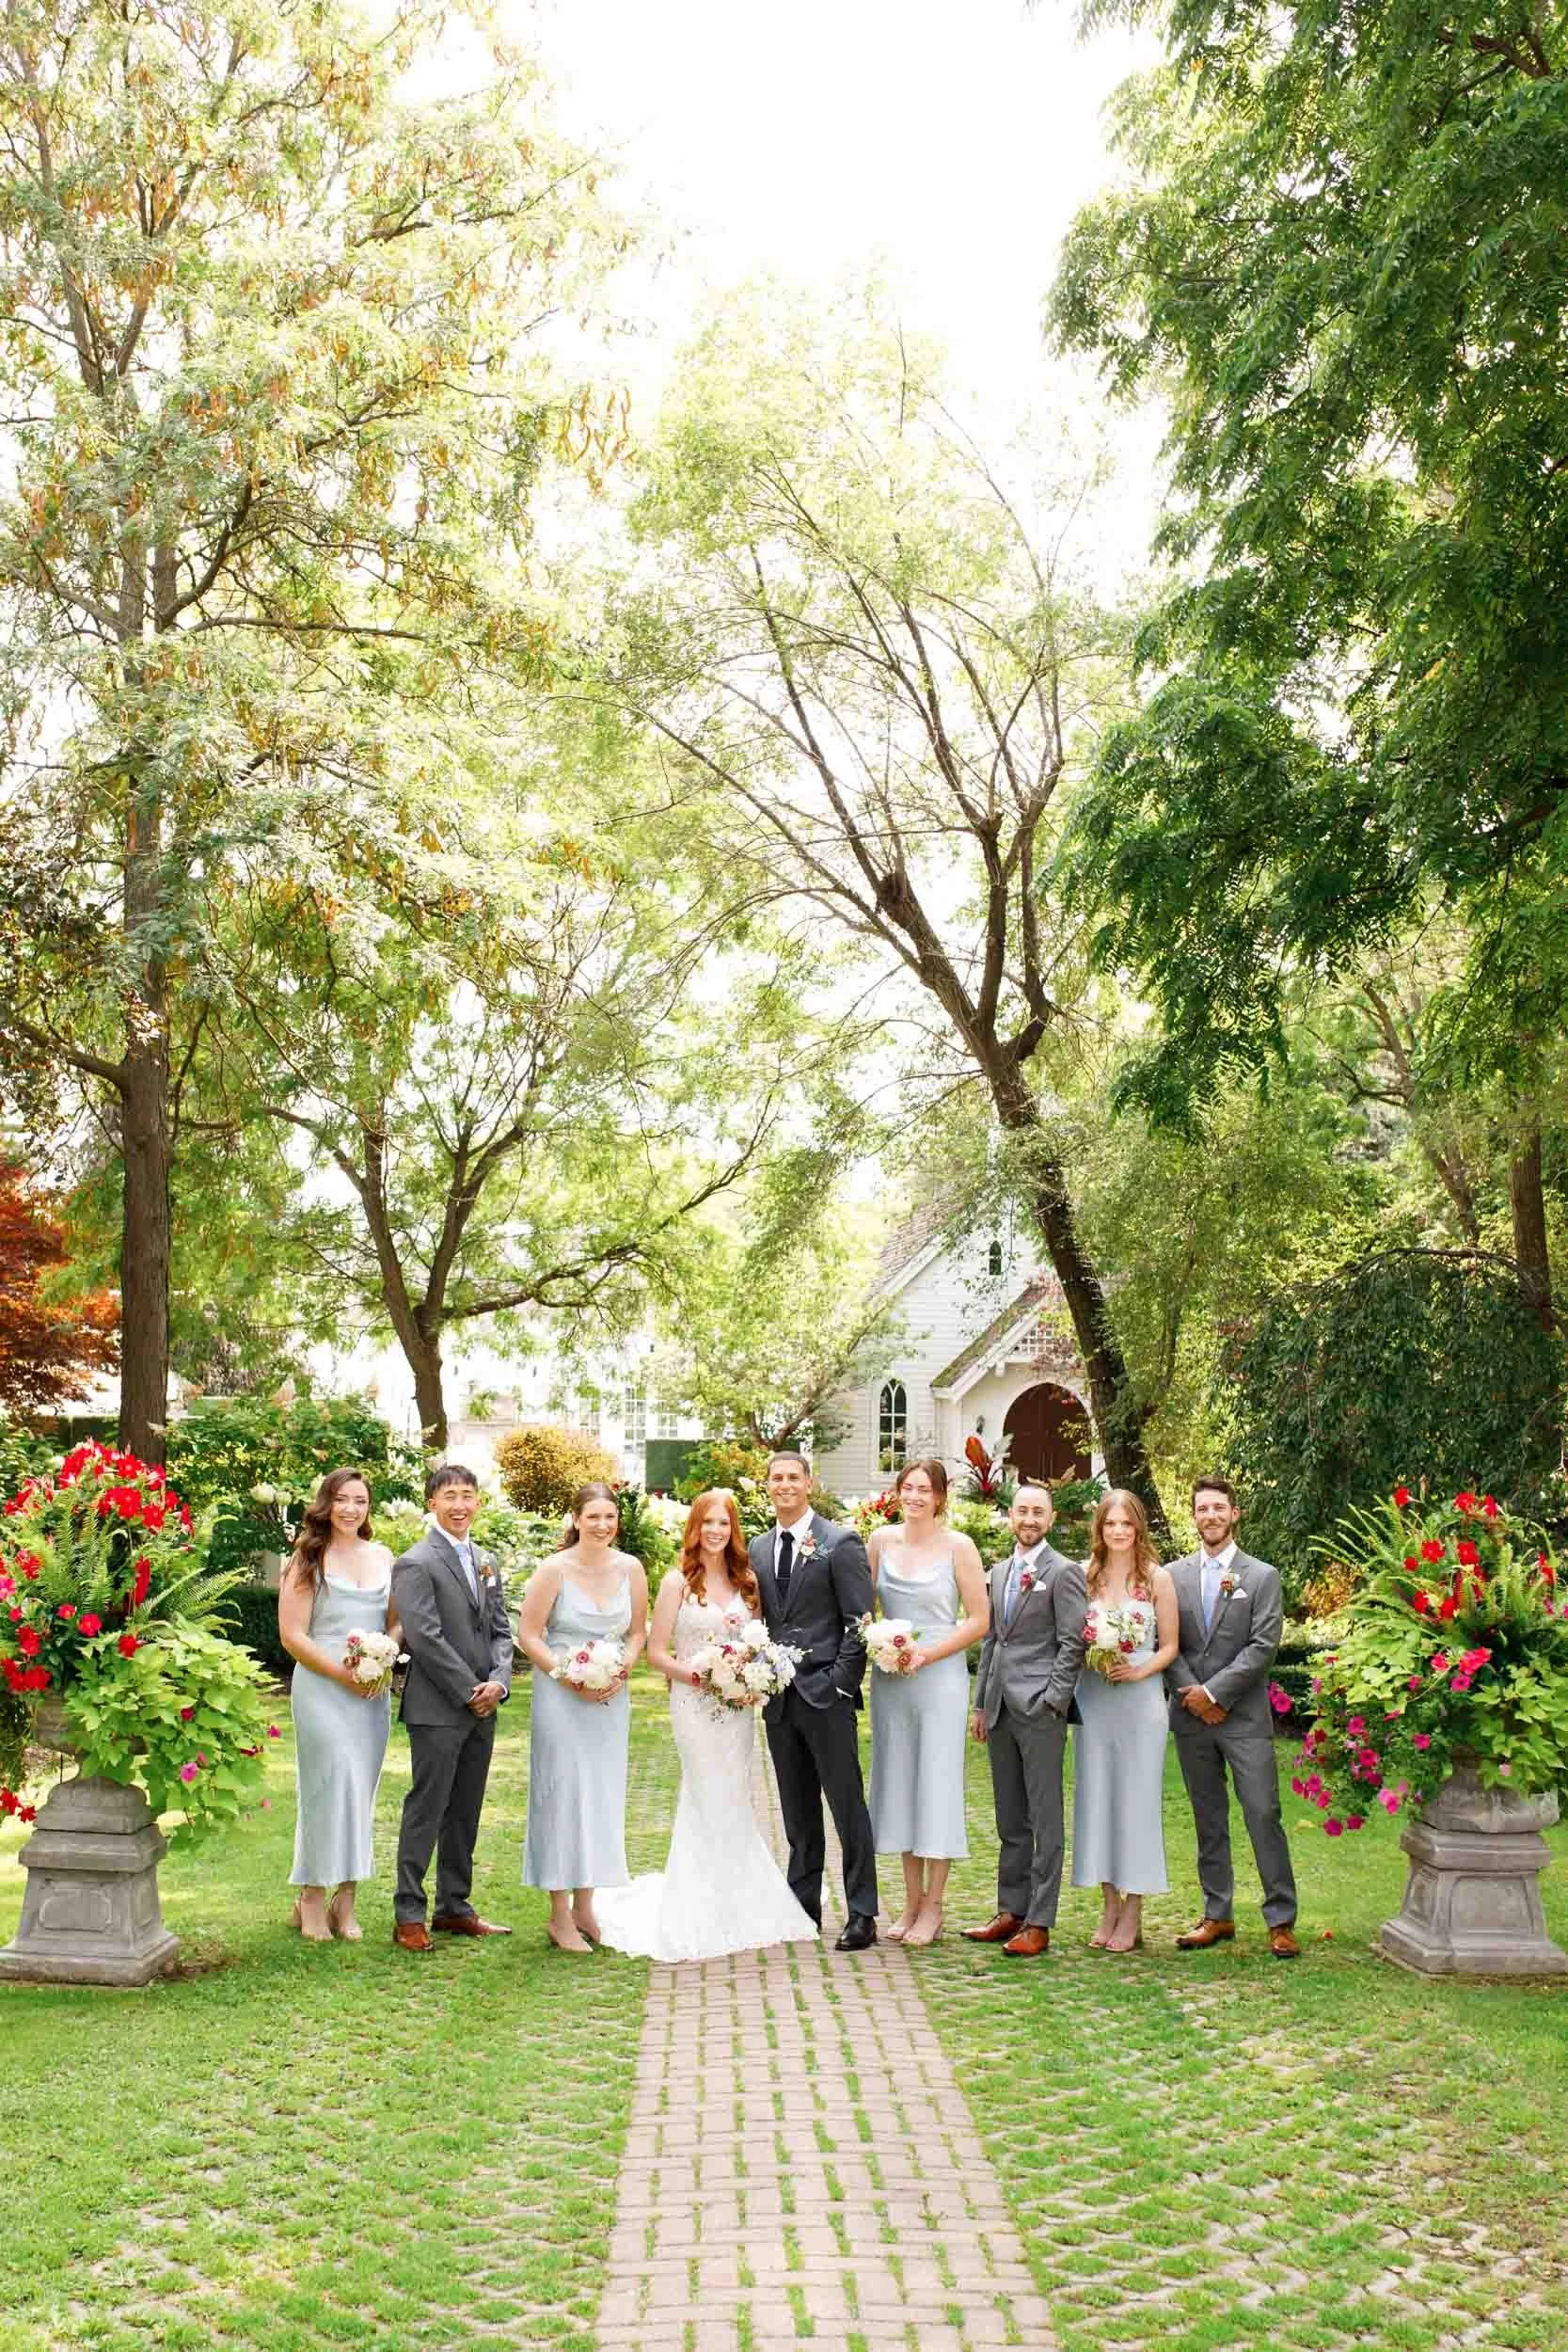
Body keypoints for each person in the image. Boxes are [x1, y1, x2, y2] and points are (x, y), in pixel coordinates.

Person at [596, 1490, 817, 1963]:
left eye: (723, 1523)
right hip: (694, 1704)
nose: (714, 1531)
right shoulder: (678, 1582)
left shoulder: (748, 1582)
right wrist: (702, 1676)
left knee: (735, 1794)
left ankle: (737, 1898)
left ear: (732, 1529)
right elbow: (656, 1653)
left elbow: (758, 1645)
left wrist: (753, 1679)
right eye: (707, 1523)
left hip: (736, 1708)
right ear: (694, 1529)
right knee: (704, 1791)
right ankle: (699, 1904)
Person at [750, 1451, 879, 1950]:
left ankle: (862, 1912)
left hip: (827, 1695)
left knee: (847, 1806)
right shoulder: (759, 1549)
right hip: (780, 1700)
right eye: (775, 1478)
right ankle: (803, 1907)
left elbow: (859, 1622)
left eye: (792, 1477)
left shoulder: (839, 1542)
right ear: (768, 1486)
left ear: (809, 1482)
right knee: (797, 1810)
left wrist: (842, 1684)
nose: (784, 1485)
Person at [1168, 1473, 1301, 1961]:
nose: (1211, 1516)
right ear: (1194, 1514)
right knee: (1209, 1818)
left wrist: (1216, 1693)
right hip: (1190, 1718)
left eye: (1219, 1508)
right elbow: (1169, 1643)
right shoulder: (1172, 1575)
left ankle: (1281, 1919)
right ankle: (1217, 1912)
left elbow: (1263, 1646)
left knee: (1263, 1813)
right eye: (1203, 1508)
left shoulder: (1261, 1577)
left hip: (1242, 1717)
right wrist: (1193, 1695)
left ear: (1234, 1513)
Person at [518, 1482, 649, 1952]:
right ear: (575, 1519)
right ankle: (558, 1914)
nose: (602, 1525)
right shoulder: (554, 1570)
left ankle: (586, 1906)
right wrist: (563, 1673)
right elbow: (528, 1634)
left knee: (599, 1795)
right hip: (560, 1697)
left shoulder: (631, 1568)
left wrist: (622, 1666)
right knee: (561, 1795)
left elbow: (637, 1633)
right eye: (592, 1516)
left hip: (610, 1697)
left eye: (609, 1516)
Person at [864, 1457, 990, 1947]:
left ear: (939, 1496)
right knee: (898, 1783)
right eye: (907, 1487)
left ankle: (934, 1906)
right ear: (898, 1492)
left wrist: (928, 1653)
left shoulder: (960, 1546)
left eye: (924, 1489)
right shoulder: (880, 1542)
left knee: (935, 1785)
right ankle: (910, 1899)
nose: (914, 1496)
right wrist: (883, 1645)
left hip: (940, 1677)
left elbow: (978, 1620)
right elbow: (864, 1608)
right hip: (892, 1677)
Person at [390, 1462, 515, 1952]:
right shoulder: (416, 1562)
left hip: (485, 1705)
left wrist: (498, 1684)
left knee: (465, 1810)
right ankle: (408, 1914)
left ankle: (454, 1908)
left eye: (467, 1495)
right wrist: (470, 1689)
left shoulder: (486, 1559)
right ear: (432, 1504)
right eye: (449, 1496)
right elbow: (424, 1636)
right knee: (427, 1809)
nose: (459, 1504)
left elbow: (501, 1630)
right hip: (438, 1708)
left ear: (477, 1501)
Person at [962, 1483, 1085, 1959]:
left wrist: (1053, 1699)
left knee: (1044, 1816)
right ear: (1010, 1516)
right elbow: (993, 1640)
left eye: (1039, 1512)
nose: (1029, 1519)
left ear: (1051, 1520)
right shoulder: (999, 1570)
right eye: (1022, 1511)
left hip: (1039, 1710)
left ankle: (1039, 1920)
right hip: (999, 1709)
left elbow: (1072, 1643)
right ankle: (1009, 1910)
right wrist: (980, 1703)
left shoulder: (1065, 1573)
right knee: (1010, 1816)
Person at [278, 1468, 398, 1942]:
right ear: (326, 1503)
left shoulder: (384, 1556)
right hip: (323, 1688)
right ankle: (310, 1897)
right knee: (326, 1787)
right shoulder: (307, 1558)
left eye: (361, 1501)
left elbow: (396, 1623)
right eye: (343, 1499)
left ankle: (345, 1901)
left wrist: (382, 1657)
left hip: (370, 1691)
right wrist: (342, 1674)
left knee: (360, 1793)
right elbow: (292, 1636)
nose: (351, 1509)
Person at [1070, 1489, 1179, 1953]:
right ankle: (1108, 1903)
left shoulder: (1157, 1578)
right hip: (1095, 1700)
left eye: (1126, 1524)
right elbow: (1068, 1638)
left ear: (1138, 1528)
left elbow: (1171, 1646)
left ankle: (1133, 1909)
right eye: (1110, 1523)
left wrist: (1137, 1669)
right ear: (1100, 1528)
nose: (1118, 1531)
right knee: (1098, 1801)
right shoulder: (1084, 1577)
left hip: (1139, 1702)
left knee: (1135, 1803)